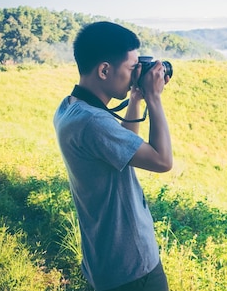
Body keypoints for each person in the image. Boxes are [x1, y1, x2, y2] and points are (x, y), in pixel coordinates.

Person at [54, 21, 173, 291]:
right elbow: (162, 161)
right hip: (133, 267)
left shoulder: (71, 108)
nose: (136, 75)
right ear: (105, 70)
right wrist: (154, 99)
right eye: (132, 68)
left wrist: (135, 99)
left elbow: (121, 148)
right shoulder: (92, 121)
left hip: (105, 260)